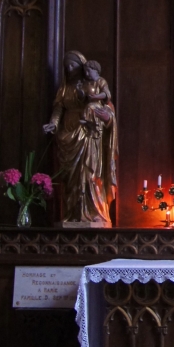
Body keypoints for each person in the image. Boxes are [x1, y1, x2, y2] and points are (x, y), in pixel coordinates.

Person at [43, 50, 118, 226]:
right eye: (66, 66)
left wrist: (106, 117)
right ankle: (73, 214)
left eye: (73, 65)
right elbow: (58, 109)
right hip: (67, 134)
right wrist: (53, 124)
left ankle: (95, 213)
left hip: (89, 134)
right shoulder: (65, 88)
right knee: (71, 179)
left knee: (91, 173)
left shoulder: (93, 84)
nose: (70, 69)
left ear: (82, 65)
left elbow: (107, 108)